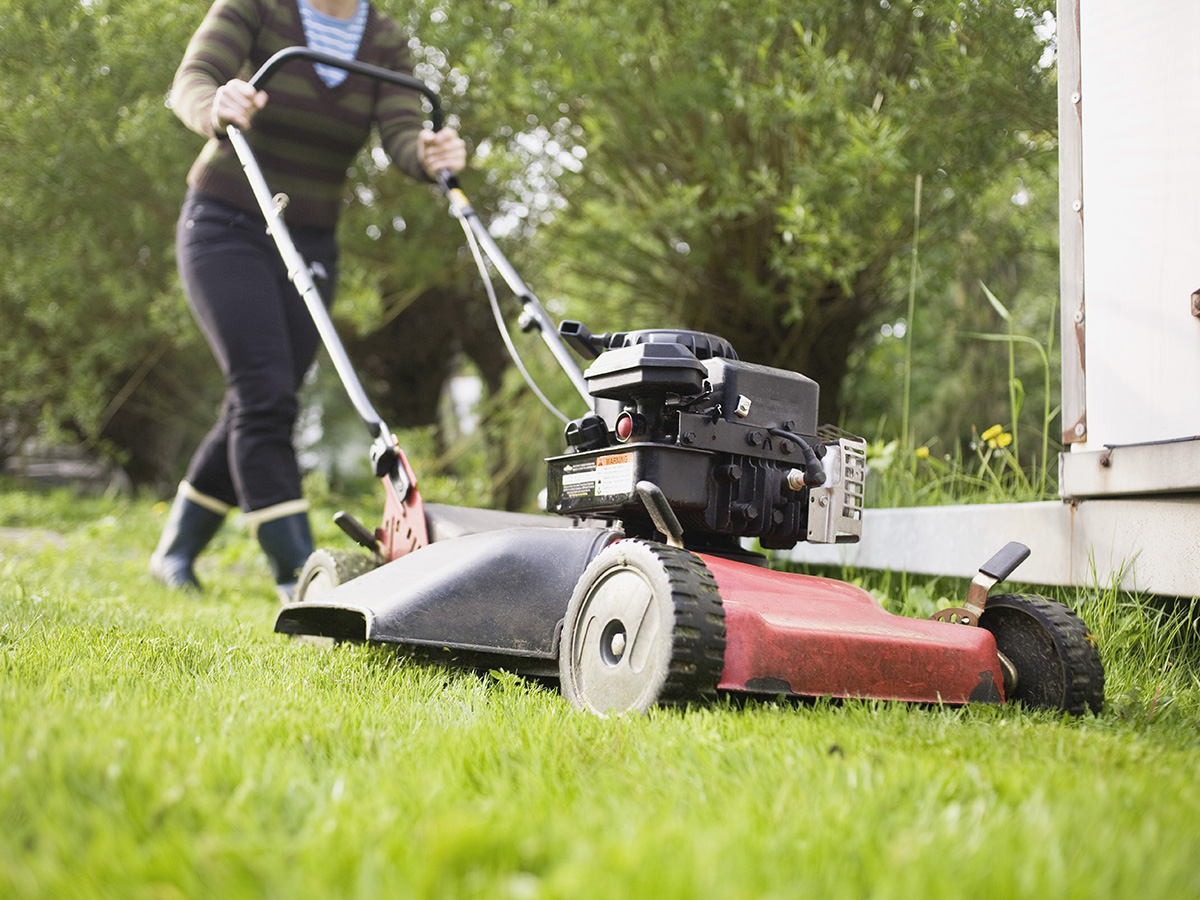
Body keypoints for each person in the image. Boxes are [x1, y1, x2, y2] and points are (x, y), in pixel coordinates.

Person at [150, 0, 466, 599]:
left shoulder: (384, 39)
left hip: (311, 239)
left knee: (262, 397)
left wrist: (428, 156)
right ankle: (295, 571)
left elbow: (401, 133)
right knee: (263, 393)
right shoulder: (255, 8)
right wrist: (215, 104)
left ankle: (176, 552)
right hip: (226, 221)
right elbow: (192, 80)